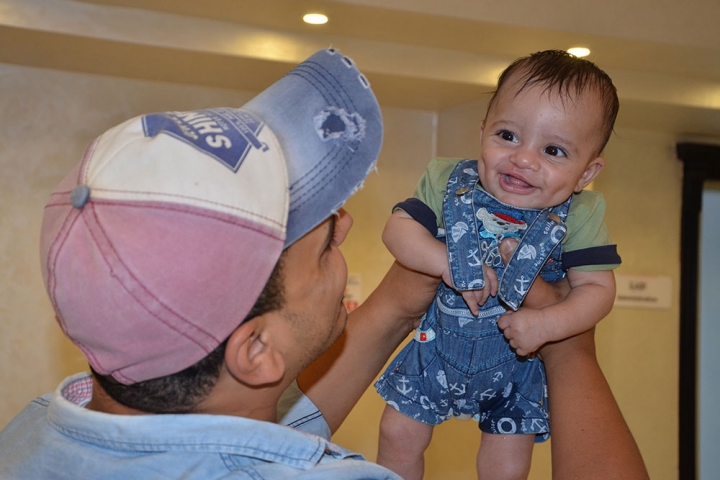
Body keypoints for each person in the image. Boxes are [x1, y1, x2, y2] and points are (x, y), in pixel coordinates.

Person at [0, 48, 649, 480]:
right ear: (256, 351)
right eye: (319, 238)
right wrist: (569, 345)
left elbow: (274, 425)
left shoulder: (33, 434)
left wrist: (399, 301)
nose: (345, 223)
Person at [374, 50, 623, 479]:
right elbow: (397, 232)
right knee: (397, 434)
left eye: (553, 150)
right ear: (483, 129)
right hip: (435, 347)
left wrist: (547, 326)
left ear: (586, 173)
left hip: (517, 362)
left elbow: (598, 292)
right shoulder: (447, 179)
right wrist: (446, 263)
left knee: (507, 465)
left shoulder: (581, 214)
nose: (524, 158)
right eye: (507, 135)